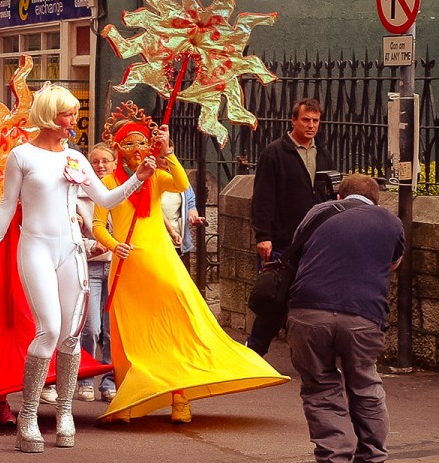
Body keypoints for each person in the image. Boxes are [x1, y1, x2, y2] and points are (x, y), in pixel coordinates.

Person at [0, 85, 155, 453]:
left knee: (71, 333)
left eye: (73, 113)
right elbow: (7, 206)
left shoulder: (76, 158)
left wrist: (139, 177)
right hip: (35, 246)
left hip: (71, 250)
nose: (74, 120)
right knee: (50, 329)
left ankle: (66, 411)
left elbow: (104, 198)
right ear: (50, 116)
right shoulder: (21, 156)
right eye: (68, 114)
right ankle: (29, 415)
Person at [92, 102, 289, 425]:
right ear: (118, 148)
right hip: (127, 266)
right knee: (129, 335)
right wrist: (116, 246)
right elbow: (99, 224)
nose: (136, 149)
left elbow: (182, 184)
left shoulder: (154, 176)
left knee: (176, 327)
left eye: (142, 142)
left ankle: (179, 397)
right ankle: (130, 400)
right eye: (128, 144)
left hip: (161, 260)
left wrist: (168, 152)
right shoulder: (111, 184)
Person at [286, 174, 404, 463]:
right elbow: (393, 263)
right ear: (377, 201)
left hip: (309, 311)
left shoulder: (319, 211)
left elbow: (297, 253)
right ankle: (373, 455)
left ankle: (334, 456)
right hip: (363, 314)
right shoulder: (391, 222)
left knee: (320, 386)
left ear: (339, 197)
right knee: (365, 383)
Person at [248, 97, 335, 356]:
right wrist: (263, 236)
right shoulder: (275, 152)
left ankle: (312, 353)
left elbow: (330, 196)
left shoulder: (324, 153)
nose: (311, 126)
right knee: (274, 297)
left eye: (316, 121)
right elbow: (263, 198)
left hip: (315, 241)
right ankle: (254, 351)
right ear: (293, 120)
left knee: (314, 299)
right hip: (283, 241)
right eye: (306, 120)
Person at [75, 142, 119, 403]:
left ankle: (109, 379)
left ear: (115, 163)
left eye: (105, 161)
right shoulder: (77, 195)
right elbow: (67, 232)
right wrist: (92, 244)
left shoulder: (122, 191)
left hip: (116, 265)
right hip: (90, 264)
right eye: (95, 162)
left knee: (112, 329)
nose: (100, 166)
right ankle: (86, 377)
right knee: (91, 327)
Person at [158, 149, 206, 272]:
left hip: (179, 241)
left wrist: (194, 217)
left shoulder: (180, 178)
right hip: (158, 240)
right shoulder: (150, 179)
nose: (167, 161)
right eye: (163, 157)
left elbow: (190, 203)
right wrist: (171, 231)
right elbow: (154, 208)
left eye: (170, 156)